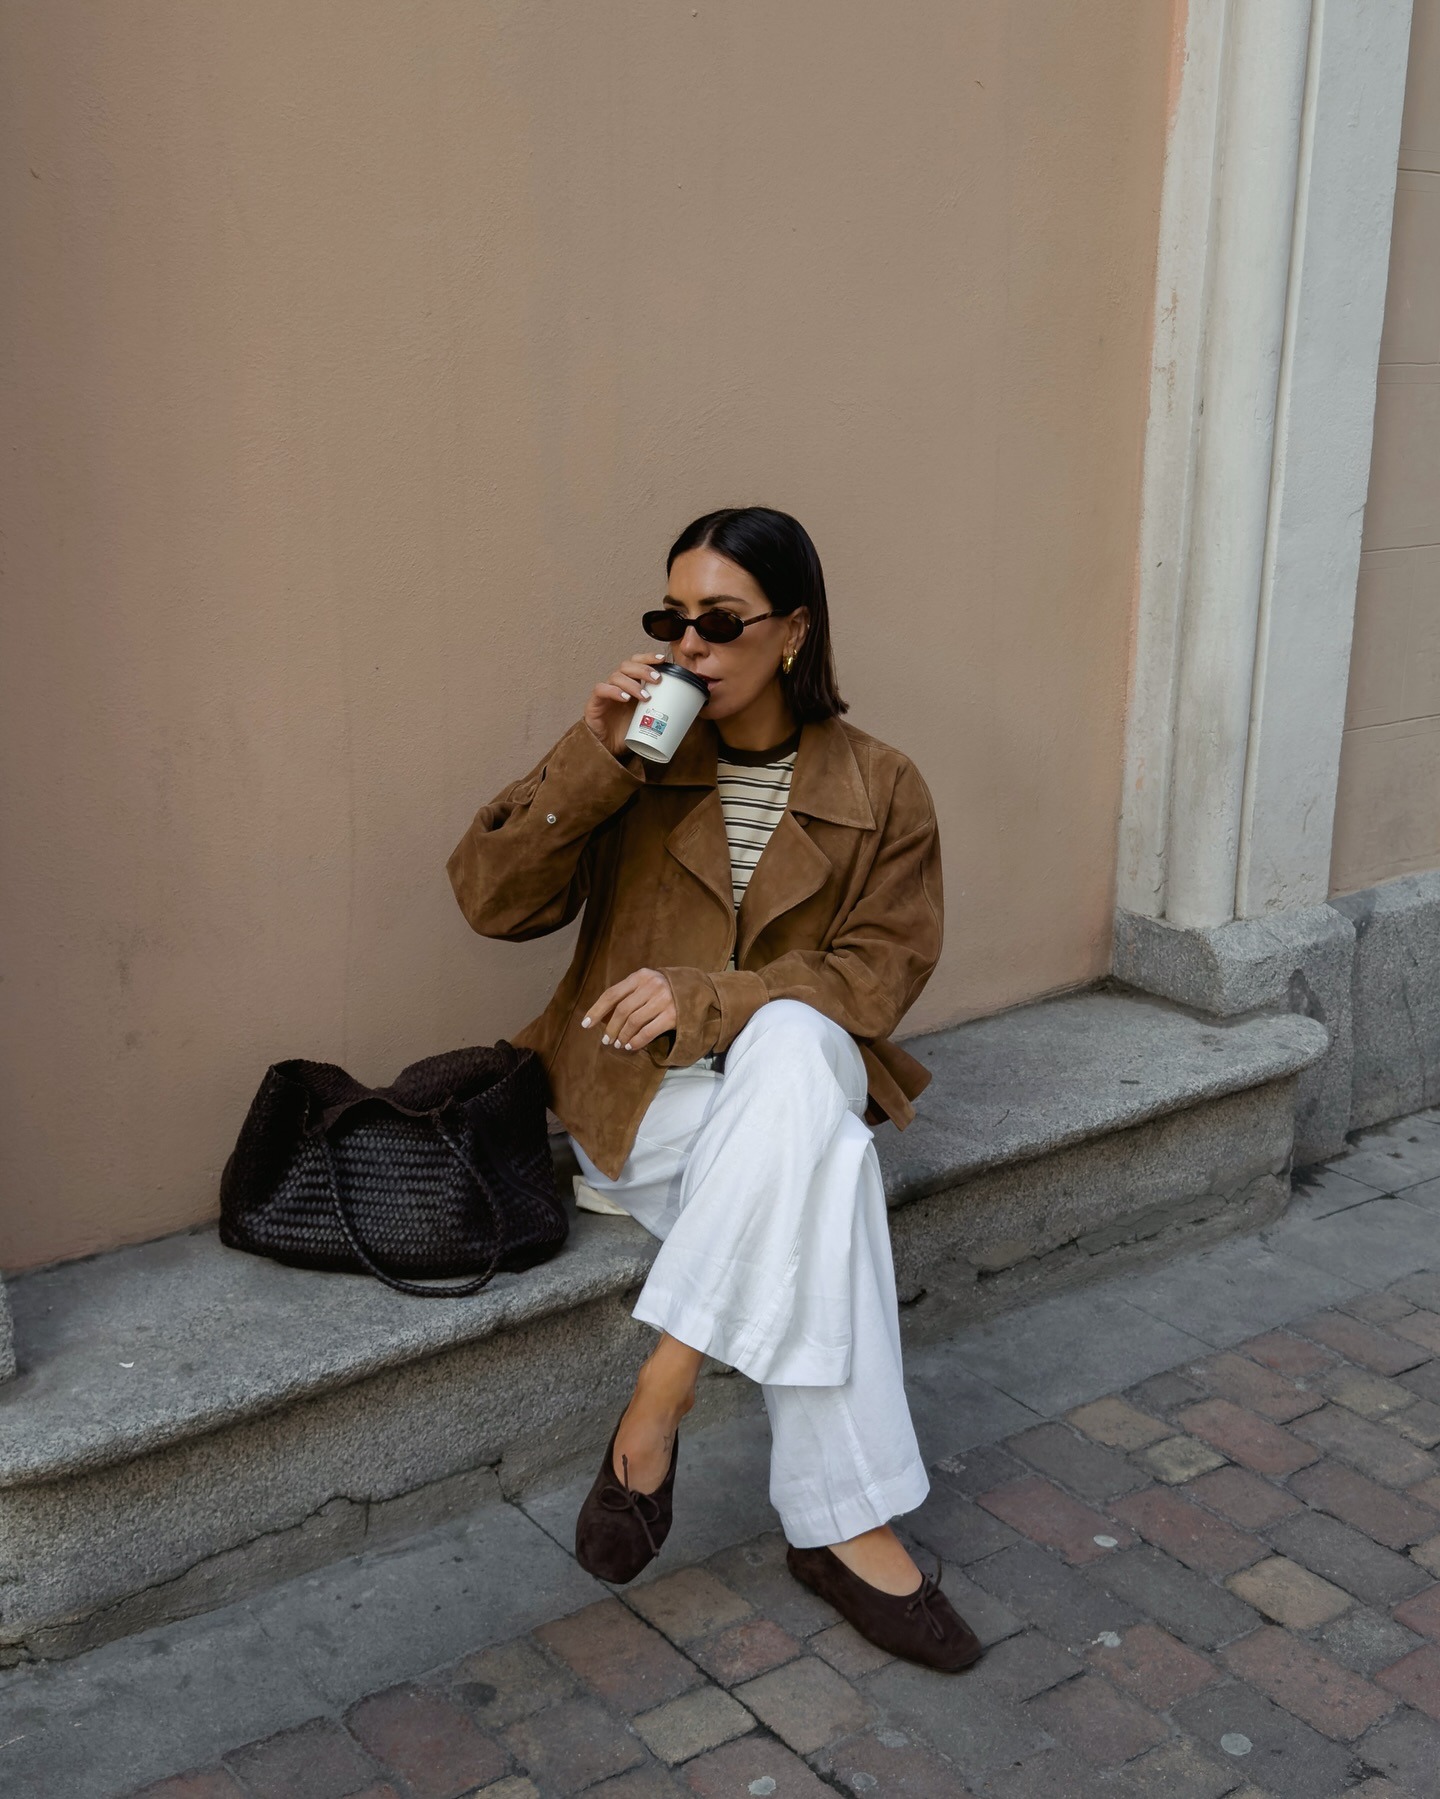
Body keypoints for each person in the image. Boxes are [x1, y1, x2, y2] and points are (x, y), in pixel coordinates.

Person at [446, 507, 980, 1671]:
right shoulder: (635, 758)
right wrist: (589, 754)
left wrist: (717, 998)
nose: (690, 645)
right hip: (644, 1099)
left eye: (721, 621)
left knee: (794, 1044)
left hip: (788, 1073)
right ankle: (847, 1527)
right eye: (670, 619)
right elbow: (491, 901)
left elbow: (876, 978)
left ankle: (663, 1389)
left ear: (792, 630)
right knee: (829, 1178)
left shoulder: (884, 784)